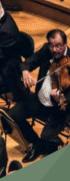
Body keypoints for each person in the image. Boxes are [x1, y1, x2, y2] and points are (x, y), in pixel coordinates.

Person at [12, 29, 70, 163]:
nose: (54, 49)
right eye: (52, 45)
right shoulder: (46, 50)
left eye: (58, 46)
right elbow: (27, 62)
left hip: (60, 109)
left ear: (65, 44)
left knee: (46, 136)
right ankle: (36, 143)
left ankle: (48, 145)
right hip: (39, 100)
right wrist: (25, 71)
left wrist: (61, 99)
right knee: (13, 116)